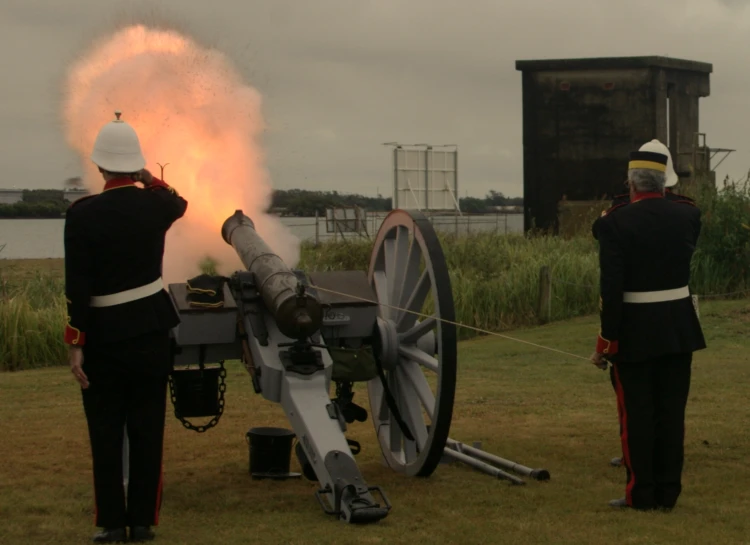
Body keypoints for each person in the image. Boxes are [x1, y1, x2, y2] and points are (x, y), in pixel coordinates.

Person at [64, 111, 188, 542]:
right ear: (135, 164)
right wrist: (149, 176)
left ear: (99, 166)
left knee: (105, 431)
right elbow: (179, 201)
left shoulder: (82, 215)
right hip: (150, 331)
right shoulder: (157, 205)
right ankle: (142, 522)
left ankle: (112, 524)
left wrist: (76, 342)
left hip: (102, 336)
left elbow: (76, 287)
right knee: (147, 430)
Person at [589, 147, 706, 511]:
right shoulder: (688, 215)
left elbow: (612, 290)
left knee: (637, 417)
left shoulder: (613, 223)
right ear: (665, 183)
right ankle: (668, 493)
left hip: (635, 332)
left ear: (631, 184)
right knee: (671, 415)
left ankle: (641, 495)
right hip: (678, 328)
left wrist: (606, 343)